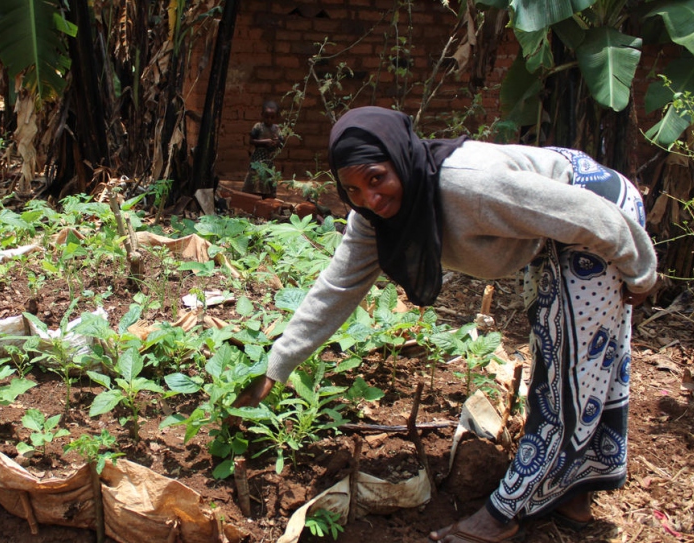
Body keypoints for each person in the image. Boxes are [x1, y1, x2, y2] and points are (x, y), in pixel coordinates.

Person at [232, 106, 657, 543]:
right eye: (353, 189)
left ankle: (504, 513)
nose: (370, 198)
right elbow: (335, 290)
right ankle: (573, 498)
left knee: (570, 374)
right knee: (561, 348)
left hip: (602, 214)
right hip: (551, 229)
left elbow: (586, 213)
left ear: (401, 158)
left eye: (377, 178)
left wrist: (640, 269)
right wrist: (276, 367)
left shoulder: (468, 185)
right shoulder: (374, 218)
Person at [242, 100, 285, 198]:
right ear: (262, 115)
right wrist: (266, 142)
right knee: (254, 176)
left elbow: (281, 142)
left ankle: (268, 196)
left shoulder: (277, 129)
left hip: (269, 159)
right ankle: (251, 195)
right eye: (266, 117)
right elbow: (252, 141)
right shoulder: (258, 127)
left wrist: (276, 142)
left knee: (268, 176)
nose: (269, 119)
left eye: (272, 117)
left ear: (276, 117)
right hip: (258, 158)